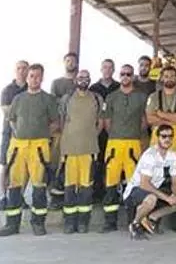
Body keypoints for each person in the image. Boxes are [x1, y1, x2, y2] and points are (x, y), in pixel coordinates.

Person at [0, 64, 60, 237]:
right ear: (27, 78)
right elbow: (11, 119)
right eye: (31, 76)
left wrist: (43, 133)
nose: (34, 79)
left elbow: (55, 123)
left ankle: (38, 223)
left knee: (39, 185)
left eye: (37, 76)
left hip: (39, 147)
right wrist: (19, 133)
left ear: (42, 78)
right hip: (18, 146)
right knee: (15, 185)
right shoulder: (18, 98)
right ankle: (12, 224)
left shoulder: (48, 99)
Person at [101, 64, 148, 233]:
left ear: (132, 76)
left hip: (133, 144)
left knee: (133, 184)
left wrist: (133, 133)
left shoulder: (141, 97)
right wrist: (117, 134)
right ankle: (110, 222)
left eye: (128, 74)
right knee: (111, 183)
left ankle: (132, 220)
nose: (125, 76)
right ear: (119, 76)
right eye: (122, 74)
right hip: (114, 144)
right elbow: (107, 122)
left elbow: (144, 121)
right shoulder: (111, 97)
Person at [124, 124, 176, 240]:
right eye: (164, 136)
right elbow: (144, 184)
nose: (167, 139)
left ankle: (151, 219)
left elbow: (175, 181)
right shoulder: (150, 155)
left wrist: (175, 196)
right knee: (151, 198)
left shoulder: (172, 155)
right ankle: (135, 224)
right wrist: (167, 198)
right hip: (135, 190)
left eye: (170, 136)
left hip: (154, 189)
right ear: (157, 138)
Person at [145, 66, 176, 232]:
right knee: (156, 179)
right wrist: (173, 119)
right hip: (157, 141)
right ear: (161, 78)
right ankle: (153, 219)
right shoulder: (153, 97)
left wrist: (162, 115)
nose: (169, 78)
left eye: (172, 76)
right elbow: (150, 119)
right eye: (166, 76)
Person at [58, 69, 103, 234]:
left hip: (89, 150)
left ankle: (83, 222)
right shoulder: (67, 98)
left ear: (90, 80)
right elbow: (61, 121)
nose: (83, 80)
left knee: (86, 187)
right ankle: (69, 222)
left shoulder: (97, 98)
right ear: (76, 80)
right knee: (70, 187)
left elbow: (101, 122)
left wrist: (91, 136)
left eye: (86, 77)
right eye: (81, 77)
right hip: (70, 151)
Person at [47, 52, 79, 210]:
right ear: (64, 62)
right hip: (60, 131)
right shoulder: (56, 83)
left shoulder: (81, 83)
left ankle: (71, 195)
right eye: (68, 61)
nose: (70, 63)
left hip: (76, 132)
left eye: (73, 61)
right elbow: (52, 105)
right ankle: (53, 195)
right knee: (56, 163)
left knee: (72, 164)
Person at [0, 60, 28, 210]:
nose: (22, 71)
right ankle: (4, 197)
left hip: (28, 134)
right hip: (9, 132)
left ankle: (20, 196)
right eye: (19, 68)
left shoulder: (32, 89)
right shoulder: (7, 91)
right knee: (6, 164)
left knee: (25, 167)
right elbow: (7, 112)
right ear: (15, 71)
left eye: (24, 68)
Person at [91, 58, 120, 203]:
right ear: (101, 69)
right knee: (98, 161)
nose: (107, 70)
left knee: (113, 162)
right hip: (97, 130)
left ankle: (113, 192)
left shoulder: (118, 87)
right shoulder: (93, 88)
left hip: (115, 130)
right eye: (105, 67)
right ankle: (97, 191)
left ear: (113, 70)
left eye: (110, 67)